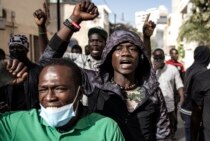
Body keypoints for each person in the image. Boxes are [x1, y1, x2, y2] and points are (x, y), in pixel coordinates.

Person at [39, 1, 171, 140]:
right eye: (118, 48)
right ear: (109, 56)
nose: (126, 53)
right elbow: (47, 62)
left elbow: (163, 135)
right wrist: (74, 20)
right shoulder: (95, 82)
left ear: (140, 57)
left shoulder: (152, 91)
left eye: (132, 49)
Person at [0, 58, 125, 141]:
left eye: (59, 89)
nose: (49, 97)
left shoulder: (105, 129)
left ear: (80, 93)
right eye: (43, 90)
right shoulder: (18, 124)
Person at [0, 35, 42, 113]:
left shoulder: (37, 70)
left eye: (19, 47)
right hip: (10, 116)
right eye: (12, 48)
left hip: (31, 115)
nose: (15, 50)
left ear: (26, 49)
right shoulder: (5, 71)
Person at [180, 46, 210, 141]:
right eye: (209, 55)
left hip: (186, 108)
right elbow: (198, 97)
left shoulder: (191, 68)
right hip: (192, 112)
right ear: (206, 57)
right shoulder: (202, 71)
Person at [152, 48, 184, 141]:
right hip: (154, 105)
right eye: (156, 58)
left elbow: (179, 84)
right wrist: (154, 69)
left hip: (169, 105)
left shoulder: (172, 69)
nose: (158, 60)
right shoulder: (151, 70)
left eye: (160, 57)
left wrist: (182, 97)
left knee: (170, 126)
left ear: (164, 58)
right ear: (153, 58)